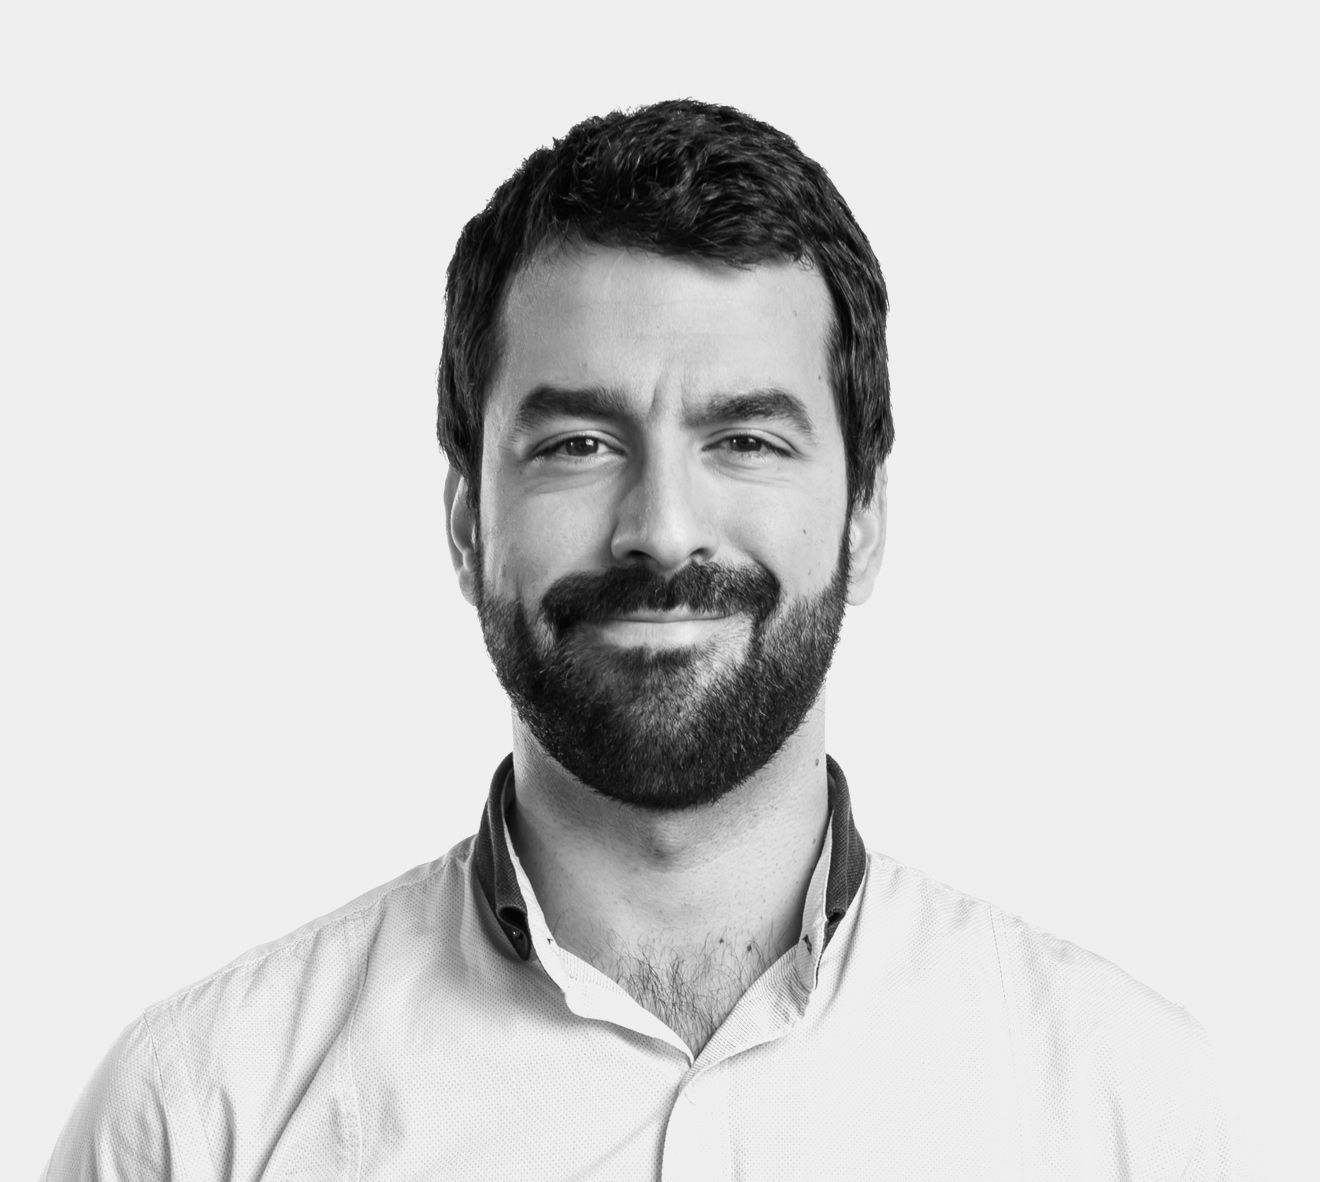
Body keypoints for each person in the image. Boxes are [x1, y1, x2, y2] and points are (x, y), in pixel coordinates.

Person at [46, 99, 1234, 1180]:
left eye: (747, 441)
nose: (662, 528)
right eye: (579, 445)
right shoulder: (200, 1118)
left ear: (864, 518)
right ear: (467, 524)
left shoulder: (1130, 1112)